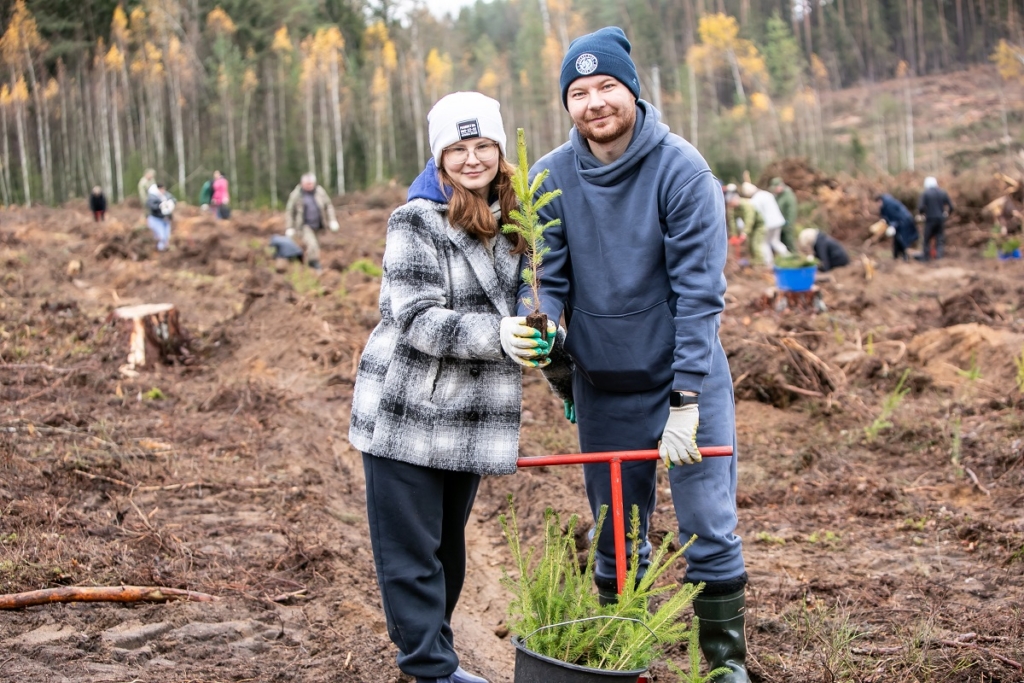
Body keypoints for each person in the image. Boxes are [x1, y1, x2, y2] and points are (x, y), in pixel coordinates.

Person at [511, 26, 749, 681]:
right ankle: (627, 656)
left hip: (684, 379)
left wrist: (687, 399)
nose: (594, 103)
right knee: (617, 534)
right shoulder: (550, 176)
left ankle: (724, 666)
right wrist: (547, 330)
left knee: (708, 524)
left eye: (607, 86)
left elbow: (700, 294)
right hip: (605, 386)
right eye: (579, 91)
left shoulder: (681, 169)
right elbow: (552, 280)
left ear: (633, 91)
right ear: (567, 103)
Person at [348, 92, 552, 683]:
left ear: (499, 152)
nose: (472, 159)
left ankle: (434, 659)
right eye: (457, 149)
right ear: (439, 158)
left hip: (470, 411)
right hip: (409, 405)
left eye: (483, 145)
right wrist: (499, 335)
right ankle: (430, 668)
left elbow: (534, 296)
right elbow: (414, 318)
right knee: (411, 552)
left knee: (448, 550)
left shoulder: (518, 220)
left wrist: (548, 341)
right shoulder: (414, 220)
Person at [284, 173, 339, 271]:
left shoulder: (320, 192)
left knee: (316, 246)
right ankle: (314, 265)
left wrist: (332, 220)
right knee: (312, 244)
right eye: (307, 184)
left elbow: (328, 206)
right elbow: (290, 211)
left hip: (318, 225)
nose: (309, 185)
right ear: (302, 183)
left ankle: (307, 265)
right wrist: (290, 227)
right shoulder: (296, 194)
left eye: (311, 183)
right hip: (304, 225)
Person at [742, 181, 789, 266]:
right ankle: (788, 257)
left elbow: (755, 215)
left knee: (764, 243)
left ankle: (769, 263)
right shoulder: (766, 194)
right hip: (778, 221)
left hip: (768, 224)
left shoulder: (755, 200)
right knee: (775, 241)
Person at [726, 190, 766, 267]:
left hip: (758, 225)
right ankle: (754, 263)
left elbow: (749, 220)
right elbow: (732, 221)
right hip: (750, 228)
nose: (731, 206)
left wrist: (744, 233)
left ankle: (760, 264)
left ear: (735, 200)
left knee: (755, 245)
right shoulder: (734, 208)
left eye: (731, 203)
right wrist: (734, 234)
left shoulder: (746, 205)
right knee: (749, 245)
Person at [917, 177, 953, 261]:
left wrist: (922, 214)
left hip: (930, 219)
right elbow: (951, 206)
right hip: (940, 219)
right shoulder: (942, 193)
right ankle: (939, 257)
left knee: (927, 239)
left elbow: (921, 207)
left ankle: (926, 257)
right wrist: (947, 214)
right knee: (939, 238)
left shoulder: (925, 193)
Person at [877, 193, 917, 261]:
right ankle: (896, 255)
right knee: (897, 239)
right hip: (900, 222)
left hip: (904, 222)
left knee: (901, 238)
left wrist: (892, 226)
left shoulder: (889, 205)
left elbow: (895, 217)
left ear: (880, 201)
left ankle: (904, 256)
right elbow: (887, 216)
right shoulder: (886, 205)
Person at [769, 177, 798, 252]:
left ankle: (794, 256)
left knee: (789, 240)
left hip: (787, 223)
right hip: (779, 223)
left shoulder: (788, 196)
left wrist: (789, 223)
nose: (774, 190)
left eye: (775, 188)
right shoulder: (777, 196)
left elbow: (792, 211)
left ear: (780, 186)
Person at [146, 182, 175, 251]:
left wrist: (171, 203)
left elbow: (173, 200)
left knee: (166, 236)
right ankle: (160, 249)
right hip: (156, 219)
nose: (163, 190)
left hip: (165, 218)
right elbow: (151, 205)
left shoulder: (166, 195)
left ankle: (165, 248)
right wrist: (160, 206)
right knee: (160, 236)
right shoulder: (153, 196)